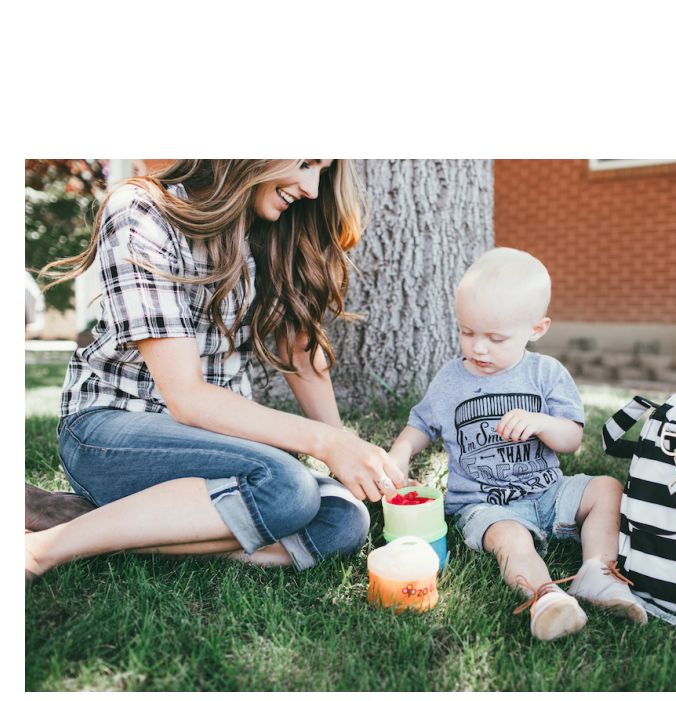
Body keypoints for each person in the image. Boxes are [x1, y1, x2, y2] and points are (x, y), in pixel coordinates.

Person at [25, 159, 406, 581]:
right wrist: (327, 442)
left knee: (343, 519)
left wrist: (346, 459)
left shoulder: (267, 226)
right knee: (286, 490)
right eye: (303, 163)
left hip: (215, 444)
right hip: (112, 433)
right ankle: (40, 551)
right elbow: (185, 397)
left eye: (321, 171)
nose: (312, 188)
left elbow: (300, 354)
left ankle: (96, 522)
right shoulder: (143, 213)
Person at [387, 247, 647, 641]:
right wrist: (401, 452)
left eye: (495, 338)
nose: (478, 348)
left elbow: (572, 438)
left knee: (606, 489)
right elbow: (421, 422)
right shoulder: (450, 380)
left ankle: (597, 571)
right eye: (467, 332)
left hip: (549, 491)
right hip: (485, 504)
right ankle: (545, 597)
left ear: (536, 329)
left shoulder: (546, 374)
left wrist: (543, 423)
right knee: (511, 539)